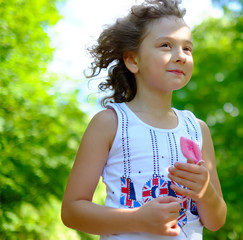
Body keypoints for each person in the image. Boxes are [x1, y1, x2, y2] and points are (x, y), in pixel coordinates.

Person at [61, 0, 227, 239]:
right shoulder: (109, 123)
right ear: (133, 60)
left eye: (187, 48)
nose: (180, 56)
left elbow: (216, 221)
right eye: (166, 45)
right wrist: (137, 219)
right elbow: (72, 211)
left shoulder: (197, 129)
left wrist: (206, 193)